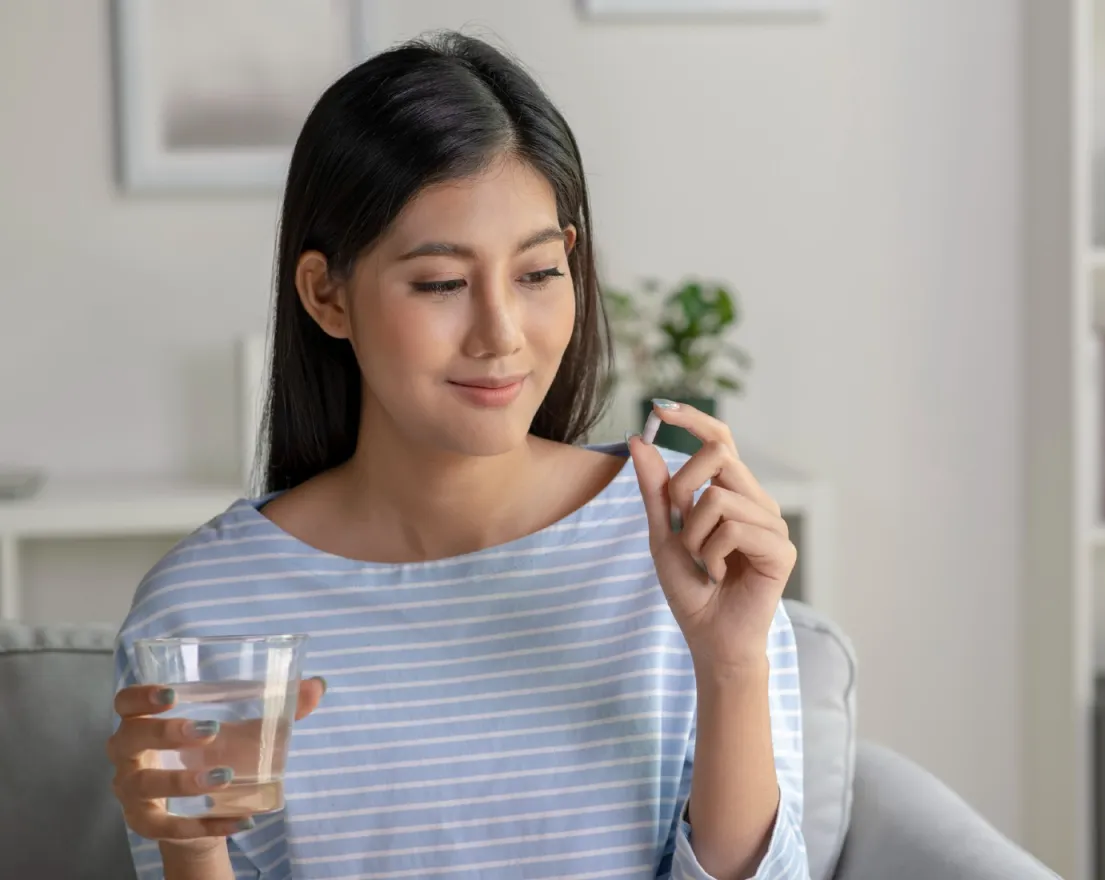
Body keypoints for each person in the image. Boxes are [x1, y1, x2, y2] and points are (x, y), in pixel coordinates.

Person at [107, 32, 809, 880]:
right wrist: (190, 845)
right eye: (441, 283)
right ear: (327, 295)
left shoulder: (682, 547)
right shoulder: (205, 608)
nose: (502, 336)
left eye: (538, 273)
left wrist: (730, 662)